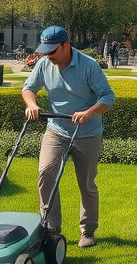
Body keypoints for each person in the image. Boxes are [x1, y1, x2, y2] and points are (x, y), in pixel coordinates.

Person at [22, 26, 116, 248]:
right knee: (46, 173)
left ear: (66, 46)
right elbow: (28, 88)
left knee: (86, 184)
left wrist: (88, 112)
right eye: (44, 51)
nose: (47, 56)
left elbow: (108, 97)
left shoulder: (88, 66)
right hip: (56, 129)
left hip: (87, 133)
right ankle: (51, 228)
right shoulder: (44, 64)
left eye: (51, 51)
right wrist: (32, 104)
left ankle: (88, 231)